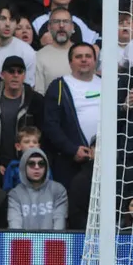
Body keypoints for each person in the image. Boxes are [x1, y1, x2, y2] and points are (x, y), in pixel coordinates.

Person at [44, 42, 100, 185]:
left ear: (95, 60)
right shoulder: (59, 86)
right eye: (78, 56)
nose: (84, 59)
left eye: (88, 56)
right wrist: (71, 149)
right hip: (72, 162)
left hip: (103, 160)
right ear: (70, 62)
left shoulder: (107, 83)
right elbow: (51, 124)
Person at [7, 147, 67, 230]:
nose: (36, 167)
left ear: (46, 167)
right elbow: (15, 227)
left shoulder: (58, 190)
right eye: (31, 164)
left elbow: (59, 226)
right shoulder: (15, 194)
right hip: (24, 242)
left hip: (51, 242)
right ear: (23, 167)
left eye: (41, 163)